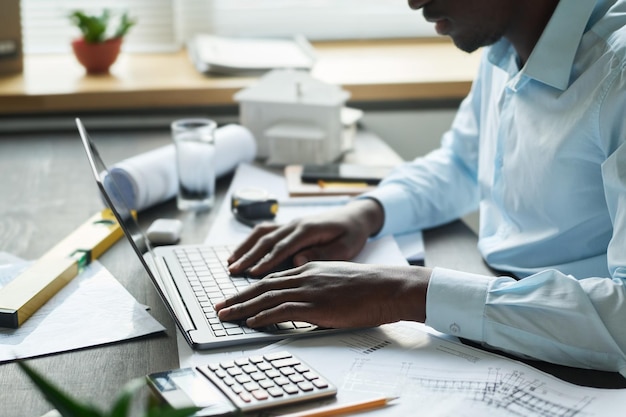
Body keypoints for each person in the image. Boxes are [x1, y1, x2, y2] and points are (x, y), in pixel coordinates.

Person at [215, 0, 626, 377]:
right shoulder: (507, 43)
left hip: (586, 363)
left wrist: (404, 291)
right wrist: (366, 212)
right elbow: (463, 164)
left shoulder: (618, 72)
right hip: (502, 301)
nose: (412, 1)